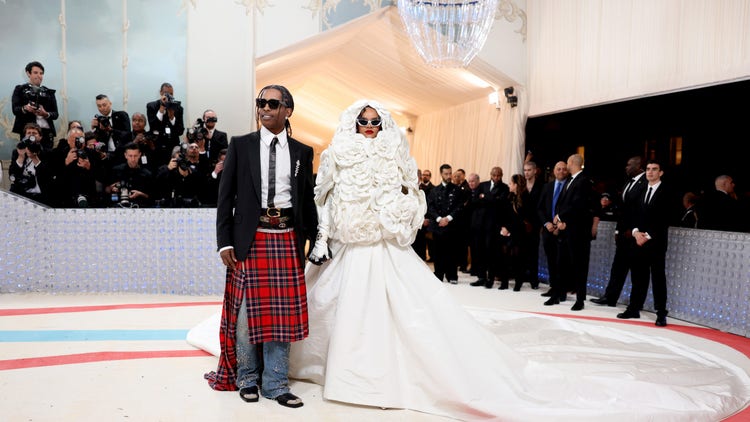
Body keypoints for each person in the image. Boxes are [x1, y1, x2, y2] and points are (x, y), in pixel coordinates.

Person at [187, 101, 750, 421]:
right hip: (344, 251)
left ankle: (326, 374)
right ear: (349, 126)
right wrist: (325, 239)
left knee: (414, 319)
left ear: (382, 126)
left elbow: (413, 195)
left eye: (374, 121)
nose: (368, 128)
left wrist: (405, 221)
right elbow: (323, 201)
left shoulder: (396, 154)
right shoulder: (331, 156)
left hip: (386, 250)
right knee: (297, 311)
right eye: (362, 122)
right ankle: (276, 371)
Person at [203, 84, 317, 408]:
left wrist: (314, 238)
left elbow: (306, 200)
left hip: (286, 239)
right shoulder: (241, 145)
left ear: (287, 110)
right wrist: (223, 242)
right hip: (249, 240)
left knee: (281, 318)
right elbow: (225, 198)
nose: (264, 108)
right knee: (244, 316)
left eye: (272, 103)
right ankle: (247, 378)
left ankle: (276, 383)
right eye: (260, 103)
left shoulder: (302, 152)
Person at [617, 160, 675, 327]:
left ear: (661, 172)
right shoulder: (641, 190)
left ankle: (661, 313)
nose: (650, 172)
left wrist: (647, 235)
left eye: (654, 169)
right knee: (638, 276)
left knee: (658, 278)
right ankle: (634, 308)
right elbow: (633, 215)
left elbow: (666, 218)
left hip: (656, 243)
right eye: (648, 169)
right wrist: (635, 232)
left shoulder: (667, 192)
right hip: (638, 241)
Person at [591, 156, 647, 307]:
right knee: (617, 268)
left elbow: (640, 210)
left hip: (636, 235)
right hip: (623, 234)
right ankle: (610, 298)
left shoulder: (645, 183)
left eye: (629, 165)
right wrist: (618, 231)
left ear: (639, 165)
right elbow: (623, 210)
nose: (626, 167)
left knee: (638, 271)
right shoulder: (629, 182)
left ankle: (636, 304)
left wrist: (634, 229)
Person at [546, 153, 596, 311]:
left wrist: (561, 217)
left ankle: (580, 300)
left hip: (578, 233)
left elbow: (578, 205)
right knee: (561, 264)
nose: (565, 166)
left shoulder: (583, 181)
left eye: (567, 162)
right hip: (565, 232)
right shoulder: (570, 180)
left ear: (572, 163)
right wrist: (560, 221)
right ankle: (557, 295)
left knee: (579, 266)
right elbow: (563, 203)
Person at [426, 163, 464, 284]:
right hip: (438, 226)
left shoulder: (457, 190)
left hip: (452, 226)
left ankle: (452, 275)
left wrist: (448, 218)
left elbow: (459, 207)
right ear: (441, 174)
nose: (449, 176)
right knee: (438, 252)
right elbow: (430, 207)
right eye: (446, 174)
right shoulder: (434, 190)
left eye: (450, 173)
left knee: (452, 252)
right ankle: (438, 275)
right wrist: (438, 219)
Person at [497, 173, 535, 291]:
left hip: (520, 233)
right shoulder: (509, 196)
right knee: (504, 256)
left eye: (511, 183)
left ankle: (518, 282)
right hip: (507, 232)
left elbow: (523, 217)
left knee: (518, 258)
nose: (509, 185)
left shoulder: (526, 197)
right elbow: (503, 214)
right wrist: (503, 227)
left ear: (516, 184)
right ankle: (504, 282)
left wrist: (509, 228)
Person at [538, 161, 569, 298]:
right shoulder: (547, 187)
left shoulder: (569, 186)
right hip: (548, 230)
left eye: (564, 169)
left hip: (563, 230)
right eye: (558, 169)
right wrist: (547, 223)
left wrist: (559, 224)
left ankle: (562, 290)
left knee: (562, 261)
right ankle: (553, 287)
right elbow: (539, 208)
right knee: (551, 260)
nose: (561, 171)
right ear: (554, 171)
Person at [11, 61, 59, 150]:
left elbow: (55, 114)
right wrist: (26, 108)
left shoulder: (49, 93)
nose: (39, 76)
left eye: (41, 73)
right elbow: (15, 109)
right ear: (28, 73)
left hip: (47, 134)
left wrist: (45, 114)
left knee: (47, 160)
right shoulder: (20, 89)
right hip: (28, 132)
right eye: (35, 73)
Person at [146, 82, 185, 165]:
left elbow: (180, 131)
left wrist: (172, 117)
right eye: (166, 93)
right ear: (161, 93)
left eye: (171, 94)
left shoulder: (178, 108)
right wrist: (161, 109)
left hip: (173, 147)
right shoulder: (151, 106)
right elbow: (153, 127)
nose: (169, 96)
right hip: (157, 147)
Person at [91, 94, 131, 161]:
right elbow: (98, 142)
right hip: (106, 156)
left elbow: (128, 135)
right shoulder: (99, 120)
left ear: (110, 103)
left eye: (104, 105)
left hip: (122, 155)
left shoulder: (121, 115)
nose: (102, 108)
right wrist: (93, 129)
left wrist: (111, 130)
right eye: (99, 106)